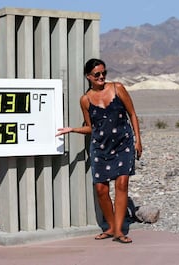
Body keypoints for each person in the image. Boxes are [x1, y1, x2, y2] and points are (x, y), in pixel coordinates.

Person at [56, 58, 142, 244]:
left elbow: (132, 114)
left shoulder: (118, 88)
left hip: (123, 143)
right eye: (97, 74)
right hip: (100, 146)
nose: (101, 76)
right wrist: (72, 129)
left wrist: (138, 140)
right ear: (89, 77)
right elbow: (90, 127)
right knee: (101, 189)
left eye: (104, 73)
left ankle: (119, 231)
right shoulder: (85, 100)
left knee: (122, 183)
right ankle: (111, 227)